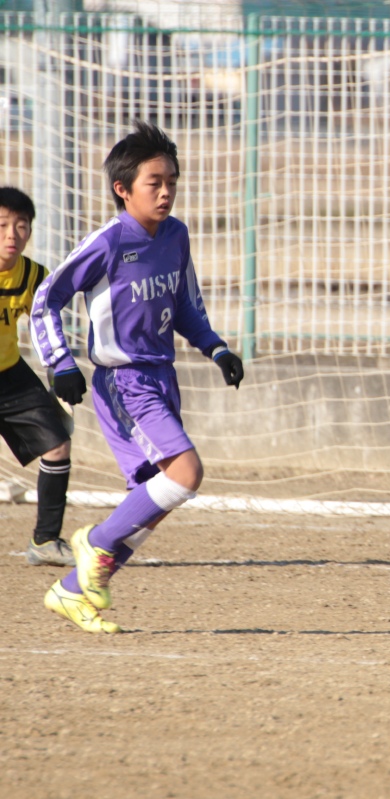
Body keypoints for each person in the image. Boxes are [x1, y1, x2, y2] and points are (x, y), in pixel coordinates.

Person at [30, 121, 244, 634]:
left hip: (163, 377)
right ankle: (95, 543)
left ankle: (73, 590)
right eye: (155, 182)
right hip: (124, 382)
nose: (166, 191)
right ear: (123, 189)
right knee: (186, 473)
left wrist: (216, 347)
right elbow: (46, 299)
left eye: (172, 181)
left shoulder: (176, 235)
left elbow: (185, 305)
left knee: (155, 500)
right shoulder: (108, 242)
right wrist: (61, 362)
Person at [0, 187, 76, 567]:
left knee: (58, 444)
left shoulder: (33, 275)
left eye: (21, 225)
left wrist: (62, 368)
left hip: (10, 375)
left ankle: (45, 541)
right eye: (2, 225)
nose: (12, 234)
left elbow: (45, 325)